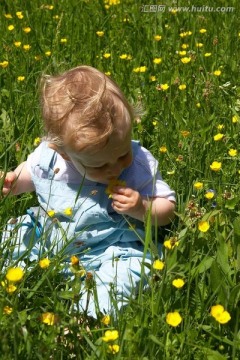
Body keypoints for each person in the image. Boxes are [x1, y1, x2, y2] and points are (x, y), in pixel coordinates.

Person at [2, 65, 175, 318]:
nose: (116, 168)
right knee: (12, 241)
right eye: (100, 165)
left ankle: (86, 317)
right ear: (63, 152)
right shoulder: (49, 159)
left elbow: (168, 211)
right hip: (52, 238)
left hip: (114, 249)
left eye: (122, 153)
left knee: (127, 274)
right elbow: (30, 176)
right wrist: (12, 184)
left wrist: (142, 208)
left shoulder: (138, 163)